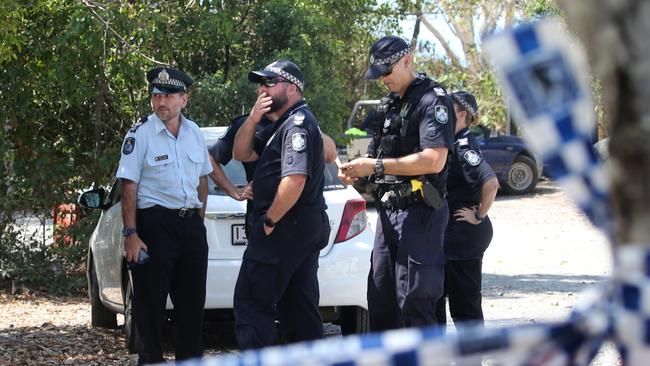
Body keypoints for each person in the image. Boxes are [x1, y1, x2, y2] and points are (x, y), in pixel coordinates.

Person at [338, 36, 455, 331]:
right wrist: (359, 170)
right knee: (381, 300)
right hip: (389, 213)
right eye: (378, 75)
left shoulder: (433, 100)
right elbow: (382, 153)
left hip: (421, 213)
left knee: (415, 302)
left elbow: (434, 160)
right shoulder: (391, 104)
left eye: (387, 72)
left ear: (407, 60)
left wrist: (375, 165)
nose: (383, 80)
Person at [231, 59, 331, 348]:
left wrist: (269, 221)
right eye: (260, 84)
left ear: (292, 88)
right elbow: (241, 152)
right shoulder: (282, 124)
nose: (262, 89)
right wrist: (251, 118)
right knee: (300, 308)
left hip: (284, 227)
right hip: (298, 228)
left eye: (269, 83)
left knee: (252, 305)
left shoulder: (297, 124)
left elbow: (295, 179)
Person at [116, 67, 212, 364]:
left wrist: (198, 219)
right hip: (154, 226)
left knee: (192, 311)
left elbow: (203, 180)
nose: (160, 102)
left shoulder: (194, 132)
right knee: (149, 312)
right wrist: (131, 235)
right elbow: (128, 185)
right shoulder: (140, 134)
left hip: (189, 228)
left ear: (184, 99)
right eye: (156, 96)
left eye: (168, 96)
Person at [435, 91, 499, 328]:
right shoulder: (451, 143)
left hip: (463, 238)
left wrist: (479, 214)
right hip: (452, 237)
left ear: (462, 115)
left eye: (447, 111)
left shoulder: (463, 147)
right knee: (436, 301)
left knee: (465, 310)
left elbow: (491, 184)